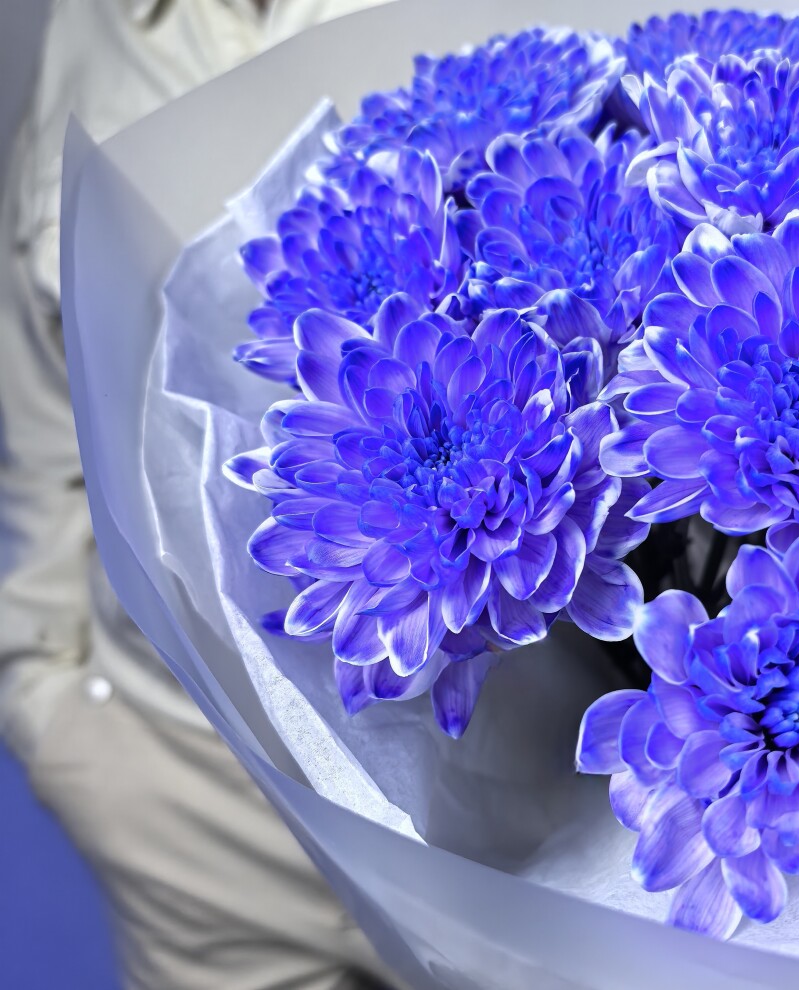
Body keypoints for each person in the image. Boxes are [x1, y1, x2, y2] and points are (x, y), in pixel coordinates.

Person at [0, 2, 405, 988]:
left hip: (490, 811)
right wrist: (50, 702)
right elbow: (49, 421)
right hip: (183, 796)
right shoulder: (88, 31)